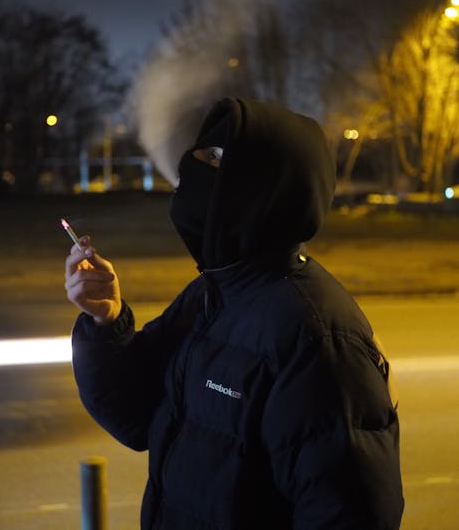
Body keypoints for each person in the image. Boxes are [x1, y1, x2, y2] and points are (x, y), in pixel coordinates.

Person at [66, 97, 404, 529]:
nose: (191, 165)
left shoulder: (318, 338)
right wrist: (105, 322)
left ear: (259, 187)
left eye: (214, 156)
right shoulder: (212, 295)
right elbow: (134, 416)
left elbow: (351, 514)